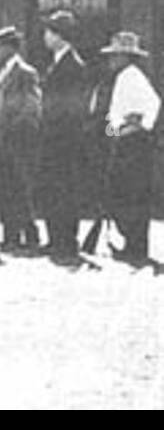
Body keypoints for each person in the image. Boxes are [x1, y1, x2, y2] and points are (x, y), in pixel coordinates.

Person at [87, 32, 159, 265]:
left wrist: (130, 128)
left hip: (133, 144)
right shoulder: (125, 77)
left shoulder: (132, 78)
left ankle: (135, 244)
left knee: (130, 194)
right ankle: (132, 243)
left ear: (126, 57)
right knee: (126, 194)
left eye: (116, 56)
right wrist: (113, 133)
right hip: (125, 140)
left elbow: (151, 109)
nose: (111, 61)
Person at [36, 10, 89, 264]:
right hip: (53, 138)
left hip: (64, 140)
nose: (45, 36)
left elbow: (72, 109)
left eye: (49, 31)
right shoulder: (58, 62)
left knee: (64, 188)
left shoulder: (72, 65)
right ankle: (57, 237)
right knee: (53, 189)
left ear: (59, 35)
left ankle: (66, 240)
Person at [0, 25, 43, 254]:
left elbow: (31, 108)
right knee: (7, 188)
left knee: (20, 188)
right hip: (2, 138)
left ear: (11, 47)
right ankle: (10, 235)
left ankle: (30, 234)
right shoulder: (2, 72)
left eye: (0, 47)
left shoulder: (25, 72)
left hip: (18, 139)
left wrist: (15, 131)